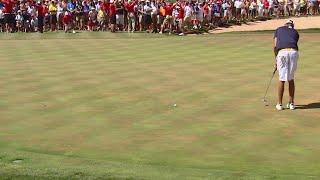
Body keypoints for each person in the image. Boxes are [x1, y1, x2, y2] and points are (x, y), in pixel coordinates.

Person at [273, 19, 299, 110]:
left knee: (282, 78)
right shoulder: (295, 32)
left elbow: (275, 45)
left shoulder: (278, 29)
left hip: (282, 52)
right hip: (293, 53)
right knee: (291, 78)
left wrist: (276, 60)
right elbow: (292, 42)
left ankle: (279, 104)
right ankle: (291, 104)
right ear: (292, 25)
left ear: (285, 24)